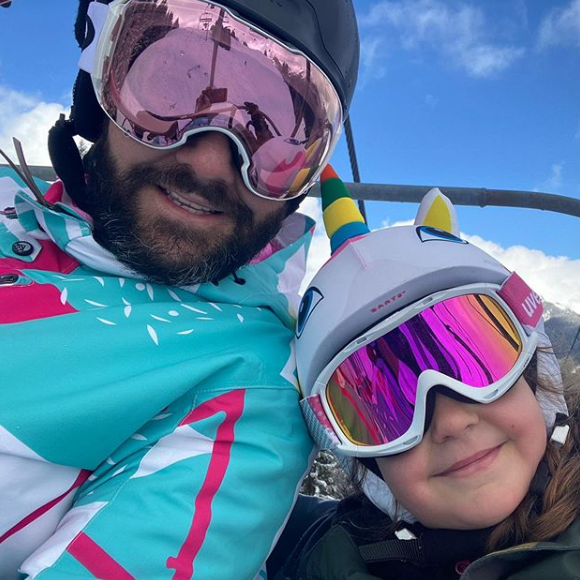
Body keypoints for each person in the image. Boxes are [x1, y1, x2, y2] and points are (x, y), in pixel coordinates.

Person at [0, 2, 359, 579]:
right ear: (103, 90)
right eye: (175, 85)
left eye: (272, 136)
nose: (215, 161)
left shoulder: (245, 383)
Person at [276, 167, 579, 580]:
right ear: (370, 468)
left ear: (534, 373)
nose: (452, 422)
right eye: (384, 406)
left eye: (478, 363)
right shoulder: (334, 564)